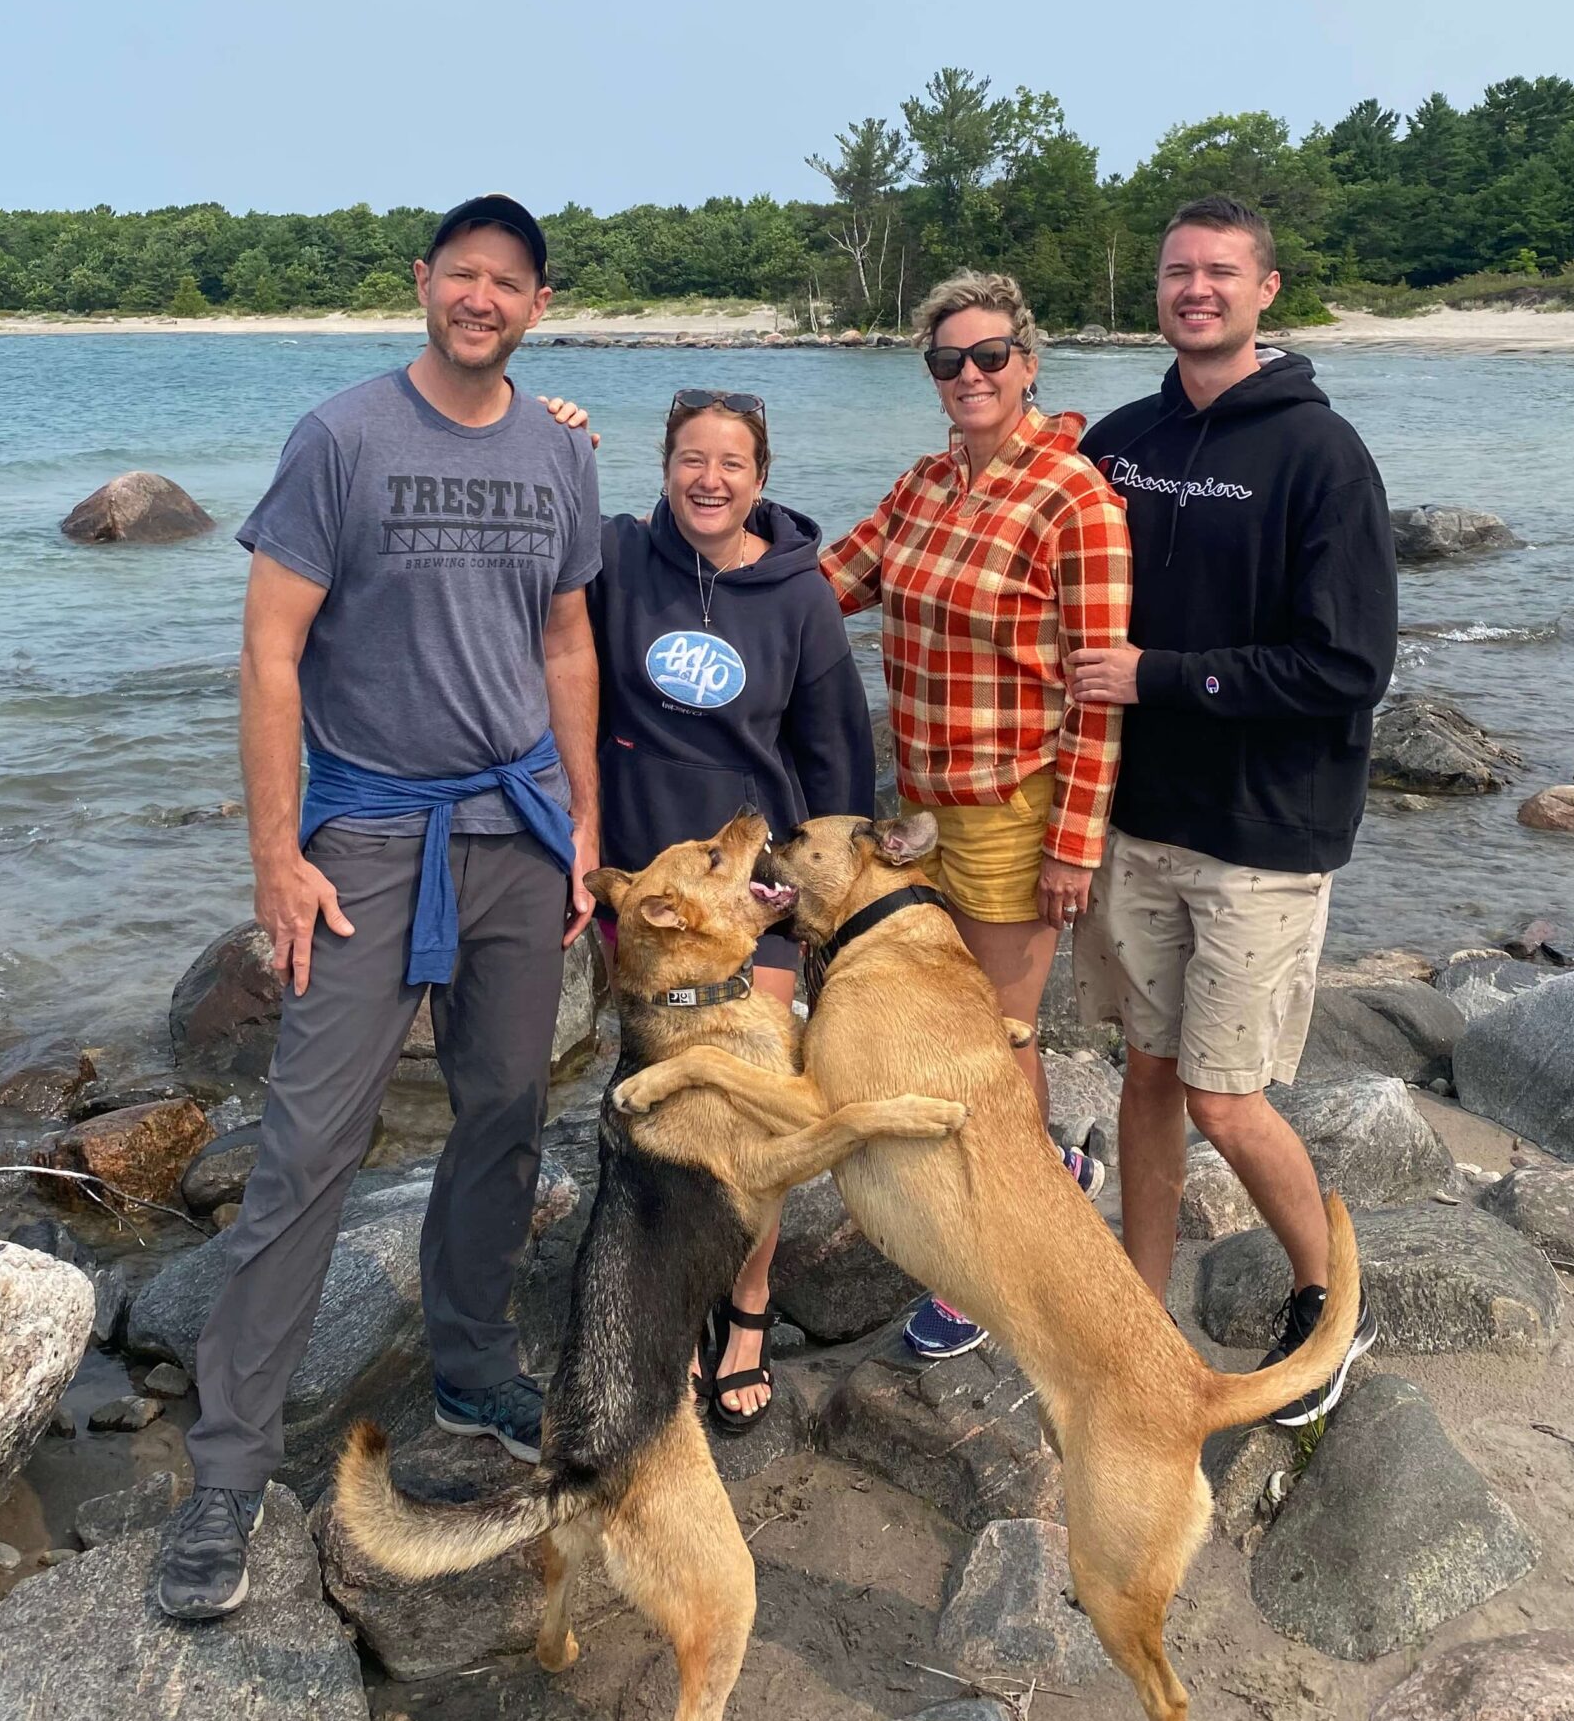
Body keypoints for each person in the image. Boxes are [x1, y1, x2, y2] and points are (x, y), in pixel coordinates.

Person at [158, 193, 601, 1622]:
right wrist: (276, 856)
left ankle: (471, 1365)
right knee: (308, 1141)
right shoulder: (340, 437)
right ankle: (226, 1471)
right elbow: (269, 656)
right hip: (363, 835)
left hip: (516, 831)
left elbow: (567, 639)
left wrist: (586, 822)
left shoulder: (558, 453)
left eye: (509, 284)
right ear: (425, 285)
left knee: (504, 1113)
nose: (483, 299)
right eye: (462, 276)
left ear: (537, 305)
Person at [1069, 193, 1396, 1425]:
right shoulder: (1120, 439)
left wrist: (1159, 675)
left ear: (1268, 290)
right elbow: (1011, 512)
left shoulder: (1322, 454)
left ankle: (1328, 1307)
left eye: (1219, 272)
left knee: (1224, 1093)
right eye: (1174, 273)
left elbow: (1349, 666)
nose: (1194, 289)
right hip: (1138, 820)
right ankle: (1138, 1308)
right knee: (1146, 1074)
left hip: (1264, 833)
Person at [823, 271, 1132, 1360]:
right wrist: (689, 595)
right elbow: (830, 584)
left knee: (995, 1043)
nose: (970, 376)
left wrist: (1073, 844)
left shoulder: (1076, 499)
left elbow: (1098, 689)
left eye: (990, 356)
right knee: (963, 1028)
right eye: (948, 361)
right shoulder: (924, 484)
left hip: (1011, 808)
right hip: (922, 807)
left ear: (1029, 362)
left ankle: (1002, 1257)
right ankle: (1049, 1169)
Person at [588, 386, 876, 1429]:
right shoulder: (619, 559)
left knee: (754, 1101)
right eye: (690, 458)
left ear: (761, 476)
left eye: (732, 462)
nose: (709, 479)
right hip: (648, 894)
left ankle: (747, 1307)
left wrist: (834, 904)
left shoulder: (799, 597)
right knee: (657, 1097)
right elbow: (514, 562)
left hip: (753, 896)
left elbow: (839, 754)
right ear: (663, 464)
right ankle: (669, 1279)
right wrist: (558, 435)